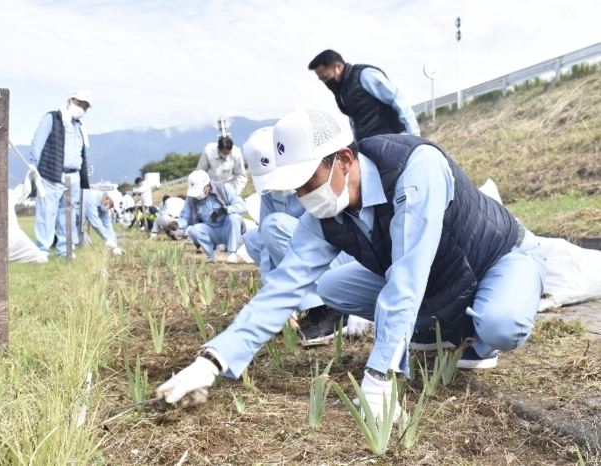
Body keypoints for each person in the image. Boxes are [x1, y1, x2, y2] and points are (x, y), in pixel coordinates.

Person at [157, 108, 546, 422]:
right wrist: (212, 359)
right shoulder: (322, 216)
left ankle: (472, 336)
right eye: (295, 187)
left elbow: (406, 277)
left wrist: (380, 375)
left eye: (308, 181)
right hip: (442, 275)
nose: (302, 195)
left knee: (500, 324)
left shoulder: (414, 170)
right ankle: (443, 329)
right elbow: (280, 291)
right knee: (332, 288)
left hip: (498, 255)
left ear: (344, 158)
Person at [242, 126, 373, 342]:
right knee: (254, 239)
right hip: (304, 247)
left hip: (340, 253)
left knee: (275, 226)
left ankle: (333, 308)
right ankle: (309, 302)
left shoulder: (317, 175)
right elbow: (267, 248)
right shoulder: (270, 193)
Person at [29, 90, 92, 258]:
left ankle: (65, 251)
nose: (81, 108)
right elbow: (37, 145)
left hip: (74, 176)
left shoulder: (80, 127)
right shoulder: (52, 118)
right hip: (51, 173)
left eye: (85, 106)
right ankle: (42, 252)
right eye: (79, 103)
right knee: (46, 212)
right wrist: (35, 171)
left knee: (69, 214)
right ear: (70, 101)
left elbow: (81, 153)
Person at [308, 50, 420, 141]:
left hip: (395, 138)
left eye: (326, 77)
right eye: (321, 79)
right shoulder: (341, 92)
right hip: (372, 144)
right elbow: (354, 122)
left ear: (338, 66)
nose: (325, 82)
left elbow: (397, 98)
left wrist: (414, 135)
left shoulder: (365, 75)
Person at [177, 170, 247, 263]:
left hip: (227, 229)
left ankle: (231, 253)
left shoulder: (224, 189)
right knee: (194, 230)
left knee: (233, 217)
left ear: (208, 186)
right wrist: (176, 223)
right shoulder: (191, 198)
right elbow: (186, 218)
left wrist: (224, 210)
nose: (197, 195)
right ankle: (212, 252)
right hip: (210, 231)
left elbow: (242, 206)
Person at [82, 188, 124, 255]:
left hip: (78, 224)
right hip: (69, 218)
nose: (110, 208)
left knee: (88, 247)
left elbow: (108, 226)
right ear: (107, 198)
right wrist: (107, 240)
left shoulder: (103, 207)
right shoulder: (91, 197)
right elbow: (95, 222)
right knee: (77, 243)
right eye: (111, 205)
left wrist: (115, 245)